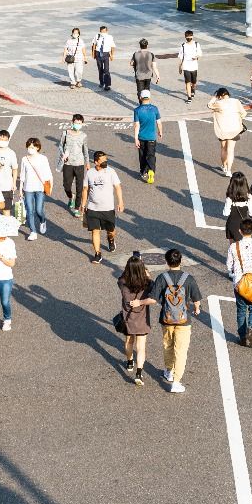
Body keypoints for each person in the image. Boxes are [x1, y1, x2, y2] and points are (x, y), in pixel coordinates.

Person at [129, 249, 201, 393]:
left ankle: (168, 371)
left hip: (166, 319)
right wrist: (197, 309)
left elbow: (153, 299)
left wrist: (140, 302)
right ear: (181, 261)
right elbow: (196, 299)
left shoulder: (162, 278)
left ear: (167, 262)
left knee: (168, 345)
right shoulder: (188, 278)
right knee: (180, 351)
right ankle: (176, 381)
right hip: (183, 320)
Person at [225, 219, 252, 348]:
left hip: (240, 284)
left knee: (241, 310)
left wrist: (234, 274)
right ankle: (251, 328)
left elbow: (229, 266)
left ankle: (242, 336)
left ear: (240, 231)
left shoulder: (234, 247)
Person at [81, 150, 124, 264]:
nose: (106, 161)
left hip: (108, 208)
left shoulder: (111, 172)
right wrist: (83, 204)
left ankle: (111, 239)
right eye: (103, 160)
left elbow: (117, 187)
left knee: (111, 231)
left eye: (106, 159)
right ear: (96, 162)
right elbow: (85, 189)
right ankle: (97, 253)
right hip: (93, 208)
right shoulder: (90, 173)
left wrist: (120, 202)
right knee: (95, 231)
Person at [118, 253, 152, 386]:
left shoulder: (123, 282)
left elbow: (121, 277)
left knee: (129, 341)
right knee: (141, 346)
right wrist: (146, 273)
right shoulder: (147, 282)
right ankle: (139, 373)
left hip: (128, 317)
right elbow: (152, 285)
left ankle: (129, 361)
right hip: (142, 318)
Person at [19, 137, 53, 241]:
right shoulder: (24, 159)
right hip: (28, 188)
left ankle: (42, 220)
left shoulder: (43, 158)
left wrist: (50, 186)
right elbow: (22, 175)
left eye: (33, 147)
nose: (30, 149)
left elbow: (48, 173)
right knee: (30, 210)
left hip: (40, 188)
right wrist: (20, 189)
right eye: (29, 147)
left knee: (39, 210)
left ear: (38, 147)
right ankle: (33, 231)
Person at [208, 87, 245, 176]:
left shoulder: (219, 103)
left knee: (223, 148)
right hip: (234, 129)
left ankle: (224, 166)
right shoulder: (236, 101)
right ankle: (229, 170)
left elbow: (209, 105)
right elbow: (243, 113)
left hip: (223, 130)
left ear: (220, 96)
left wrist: (213, 98)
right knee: (231, 150)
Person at [58, 114, 90, 217]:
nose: (77, 125)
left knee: (79, 187)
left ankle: (76, 208)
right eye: (76, 123)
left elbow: (85, 150)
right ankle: (71, 196)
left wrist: (87, 163)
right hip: (68, 163)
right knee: (66, 185)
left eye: (79, 123)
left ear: (82, 124)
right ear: (72, 123)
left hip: (80, 164)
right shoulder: (65, 133)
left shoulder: (83, 136)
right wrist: (63, 154)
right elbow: (60, 146)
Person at [133, 90, 162, 184]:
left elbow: (137, 125)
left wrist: (136, 138)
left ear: (140, 98)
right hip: (152, 137)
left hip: (141, 137)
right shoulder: (155, 109)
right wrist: (160, 131)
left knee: (142, 155)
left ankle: (143, 171)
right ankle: (151, 170)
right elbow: (159, 122)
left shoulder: (137, 110)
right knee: (151, 155)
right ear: (149, 98)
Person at [222, 171, 252, 242]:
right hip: (244, 226)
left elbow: (226, 213)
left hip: (232, 224)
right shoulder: (249, 196)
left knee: (233, 247)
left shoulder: (230, 198)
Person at [129, 38, 160, 103]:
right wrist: (158, 76)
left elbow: (131, 63)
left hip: (139, 76)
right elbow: (154, 67)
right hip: (148, 75)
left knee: (140, 91)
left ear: (140, 45)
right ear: (147, 45)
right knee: (147, 91)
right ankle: (146, 104)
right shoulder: (151, 54)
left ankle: (141, 104)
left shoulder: (135, 54)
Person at [178, 30, 203, 103]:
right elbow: (181, 57)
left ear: (192, 36)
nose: (189, 38)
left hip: (194, 66)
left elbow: (200, 53)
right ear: (185, 37)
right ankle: (189, 97)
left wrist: (196, 57)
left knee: (194, 82)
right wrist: (180, 67)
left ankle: (193, 89)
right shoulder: (183, 45)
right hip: (186, 66)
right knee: (187, 82)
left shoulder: (196, 44)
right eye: (187, 37)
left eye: (190, 37)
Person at [90, 25, 116, 91]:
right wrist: (93, 54)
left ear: (107, 31)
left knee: (106, 70)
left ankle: (107, 85)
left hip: (106, 54)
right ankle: (101, 83)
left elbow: (112, 46)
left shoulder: (110, 37)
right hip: (98, 53)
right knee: (100, 69)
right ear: (100, 31)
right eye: (102, 31)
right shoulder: (97, 36)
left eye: (104, 31)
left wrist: (112, 55)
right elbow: (94, 45)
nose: (103, 32)